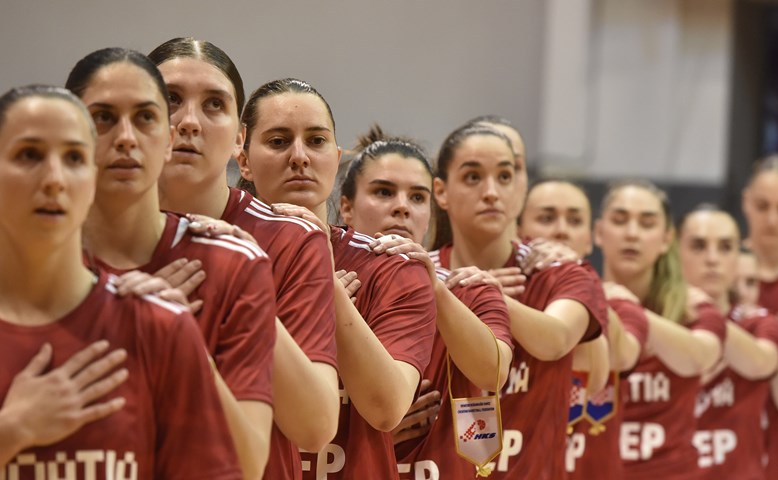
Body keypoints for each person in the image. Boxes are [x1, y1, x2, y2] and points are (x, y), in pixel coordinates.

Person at [0, 84, 241, 478]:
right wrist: (13, 431)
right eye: (29, 155)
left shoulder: (159, 325)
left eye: (75, 158)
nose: (55, 179)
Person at [65, 48, 276, 479]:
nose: (126, 137)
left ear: (167, 137)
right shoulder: (25, 262)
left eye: (145, 118)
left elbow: (249, 464)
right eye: (103, 117)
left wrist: (175, 334)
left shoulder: (233, 263)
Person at [147, 37, 339, 479]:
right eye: (170, 99)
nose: (189, 121)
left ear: (239, 139)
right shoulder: (88, 233)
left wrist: (235, 284)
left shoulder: (289, 238)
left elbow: (315, 427)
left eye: (214, 104)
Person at [236, 78, 436, 479]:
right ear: (242, 159)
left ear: (336, 155)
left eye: (316, 141)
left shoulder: (392, 267)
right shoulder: (217, 251)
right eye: (277, 141)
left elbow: (387, 408)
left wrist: (320, 280)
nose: (300, 157)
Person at [428, 123, 606, 479]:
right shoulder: (422, 275)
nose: (491, 192)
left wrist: (482, 292)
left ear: (520, 188)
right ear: (441, 192)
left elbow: (555, 340)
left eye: (505, 176)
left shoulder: (560, 270)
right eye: (473, 177)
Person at [334, 126, 513, 478]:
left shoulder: (469, 287)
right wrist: (370, 434)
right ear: (346, 207)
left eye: (417, 197)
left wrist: (431, 286)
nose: (402, 207)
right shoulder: (326, 281)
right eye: (383, 192)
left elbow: (493, 373)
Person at [593, 180, 726, 479]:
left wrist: (628, 309)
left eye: (647, 223)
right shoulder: (573, 304)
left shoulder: (694, 309)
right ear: (599, 233)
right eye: (620, 220)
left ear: (667, 239)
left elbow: (700, 357)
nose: (631, 233)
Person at [518, 179, 649, 479]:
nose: (562, 230)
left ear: (590, 240)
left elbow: (608, 368)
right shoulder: (502, 294)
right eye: (547, 218)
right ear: (518, 230)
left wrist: (585, 284)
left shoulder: (619, 303)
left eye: (575, 220)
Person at [677, 206, 778, 479]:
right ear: (673, 252)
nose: (712, 259)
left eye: (725, 248)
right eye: (698, 246)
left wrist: (708, 316)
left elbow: (765, 366)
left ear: (739, 256)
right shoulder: (653, 323)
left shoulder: (758, 323)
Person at [741, 153, 778, 479]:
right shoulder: (718, 267)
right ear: (746, 202)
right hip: (725, 436)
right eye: (763, 206)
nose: (773, 219)